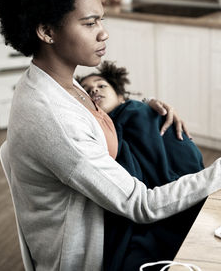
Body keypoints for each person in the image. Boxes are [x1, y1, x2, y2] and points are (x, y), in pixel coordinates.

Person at [0, 0, 221, 271]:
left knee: (214, 214)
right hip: (100, 249)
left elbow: (92, 124)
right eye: (90, 23)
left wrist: (146, 105)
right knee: (220, 245)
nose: (103, 33)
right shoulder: (49, 117)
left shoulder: (58, 80)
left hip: (110, 218)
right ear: (46, 31)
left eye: (101, 20)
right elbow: (141, 204)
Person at [77, 61, 206, 270]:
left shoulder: (141, 111)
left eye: (101, 85)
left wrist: (147, 103)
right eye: (87, 90)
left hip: (175, 193)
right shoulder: (90, 132)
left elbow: (186, 159)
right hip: (136, 205)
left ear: (120, 96)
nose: (94, 89)